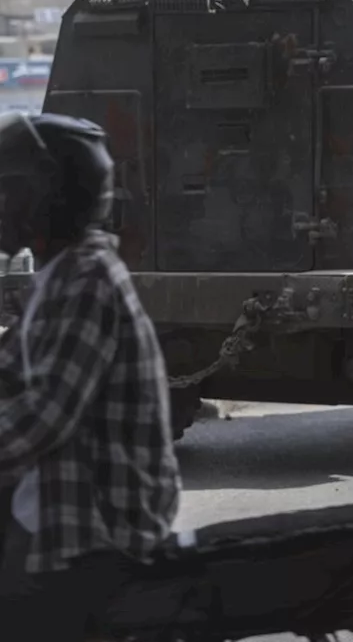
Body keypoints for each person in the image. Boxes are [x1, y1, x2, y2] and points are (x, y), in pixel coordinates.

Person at [0, 114, 180, 640]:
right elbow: (11, 368)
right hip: (62, 500)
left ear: (46, 199)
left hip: (98, 523)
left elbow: (43, 418)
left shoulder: (88, 280)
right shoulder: (57, 277)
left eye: (9, 193)